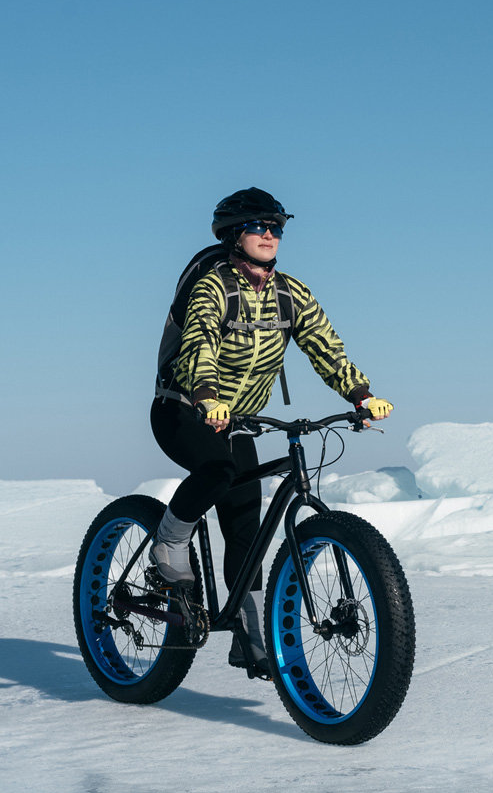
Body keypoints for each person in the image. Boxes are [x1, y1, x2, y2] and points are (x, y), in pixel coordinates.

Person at [149, 187, 392, 678]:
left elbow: (326, 347)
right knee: (217, 470)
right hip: (184, 410)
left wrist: (360, 396)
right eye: (259, 226)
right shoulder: (212, 287)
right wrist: (207, 396)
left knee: (246, 527)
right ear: (234, 234)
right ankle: (169, 542)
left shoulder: (291, 293)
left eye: (276, 227)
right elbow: (197, 342)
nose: (269, 235)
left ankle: (249, 636)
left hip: (237, 421)